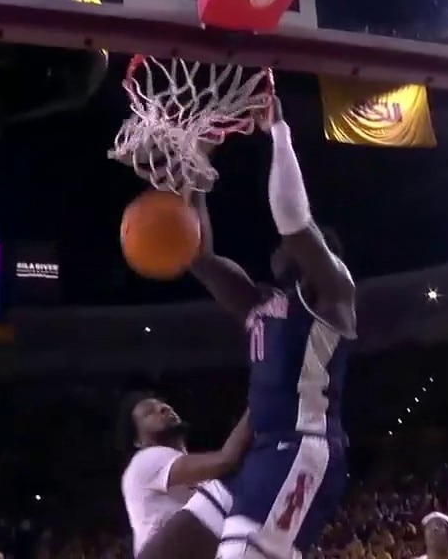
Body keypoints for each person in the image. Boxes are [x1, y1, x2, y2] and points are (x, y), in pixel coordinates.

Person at [137, 92, 356, 559]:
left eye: (293, 247)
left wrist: (278, 132)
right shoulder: (259, 300)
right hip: (257, 454)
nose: (278, 249)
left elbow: (295, 222)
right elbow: (196, 255)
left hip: (300, 451)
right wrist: (196, 166)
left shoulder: (333, 295)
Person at [118, 392, 252, 556]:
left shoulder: (196, 475)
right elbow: (227, 460)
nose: (163, 408)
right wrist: (258, 404)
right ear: (138, 441)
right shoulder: (145, 460)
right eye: (149, 412)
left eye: (163, 404)